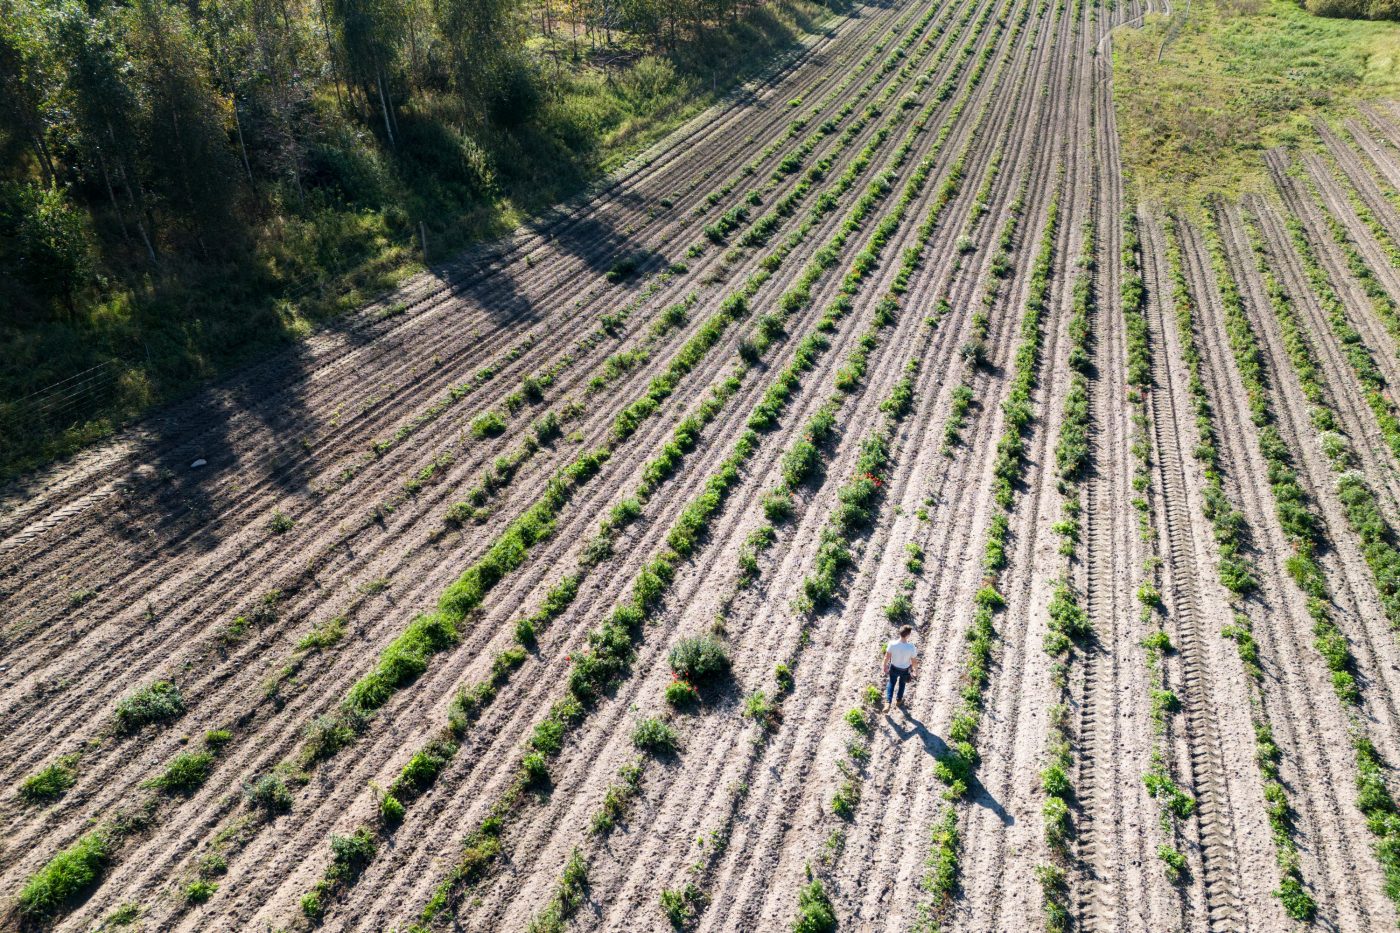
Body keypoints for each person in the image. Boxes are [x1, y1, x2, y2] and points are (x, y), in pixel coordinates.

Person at [883, 624, 918, 711]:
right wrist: (915, 671)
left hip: (894, 667)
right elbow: (914, 662)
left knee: (891, 683)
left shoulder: (892, 644)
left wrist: (885, 666)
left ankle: (888, 702)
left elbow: (886, 657)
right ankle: (899, 701)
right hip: (905, 670)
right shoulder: (911, 647)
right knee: (902, 685)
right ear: (907, 635)